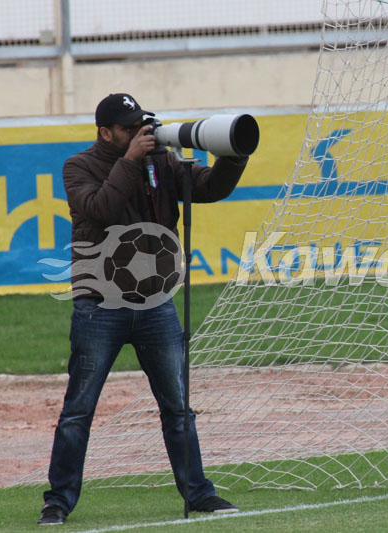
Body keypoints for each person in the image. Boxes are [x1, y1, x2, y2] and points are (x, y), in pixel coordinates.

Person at [38, 93, 249, 525]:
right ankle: (58, 501)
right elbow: (101, 208)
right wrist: (131, 160)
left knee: (177, 406)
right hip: (99, 307)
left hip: (156, 304)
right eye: (129, 128)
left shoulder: (163, 162)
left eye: (141, 125)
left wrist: (232, 154)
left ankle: (199, 493)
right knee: (79, 410)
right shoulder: (78, 167)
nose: (140, 133)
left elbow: (210, 188)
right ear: (106, 133)